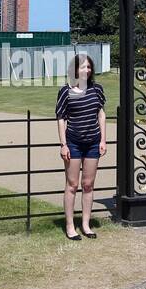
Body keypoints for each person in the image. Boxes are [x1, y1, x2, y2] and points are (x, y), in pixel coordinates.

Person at [55, 54, 107, 240]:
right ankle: (70, 226)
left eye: (89, 67)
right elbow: (61, 119)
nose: (87, 70)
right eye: (83, 67)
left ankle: (86, 224)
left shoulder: (97, 90)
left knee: (88, 185)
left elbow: (101, 115)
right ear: (75, 69)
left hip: (93, 143)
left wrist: (103, 140)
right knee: (72, 185)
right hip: (73, 144)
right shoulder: (65, 91)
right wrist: (64, 145)